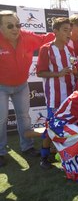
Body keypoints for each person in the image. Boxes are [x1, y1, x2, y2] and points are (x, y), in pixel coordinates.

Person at [0, 10, 54, 167]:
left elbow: (48, 38)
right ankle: (1, 152)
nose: (15, 29)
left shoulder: (27, 36)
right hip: (1, 87)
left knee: (24, 117)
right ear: (1, 27)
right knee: (1, 119)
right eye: (10, 26)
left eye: (18, 25)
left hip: (22, 85)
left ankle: (27, 147)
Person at [36, 17, 78, 169]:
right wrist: (58, 74)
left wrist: (76, 71)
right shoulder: (46, 49)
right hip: (55, 96)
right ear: (55, 32)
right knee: (51, 127)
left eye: (70, 30)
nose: (69, 34)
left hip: (70, 95)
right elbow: (40, 72)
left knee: (71, 126)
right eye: (65, 30)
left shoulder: (70, 49)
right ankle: (44, 156)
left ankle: (69, 155)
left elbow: (76, 70)